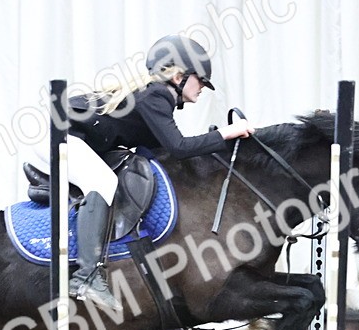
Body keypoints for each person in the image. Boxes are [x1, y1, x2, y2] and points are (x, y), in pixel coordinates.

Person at [43, 34, 255, 312]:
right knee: (104, 182)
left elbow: (161, 155)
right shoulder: (156, 95)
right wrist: (226, 134)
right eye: (201, 80)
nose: (203, 87)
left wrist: (216, 149)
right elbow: (179, 147)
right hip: (63, 136)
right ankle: (87, 276)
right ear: (180, 76)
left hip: (77, 138)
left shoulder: (154, 100)